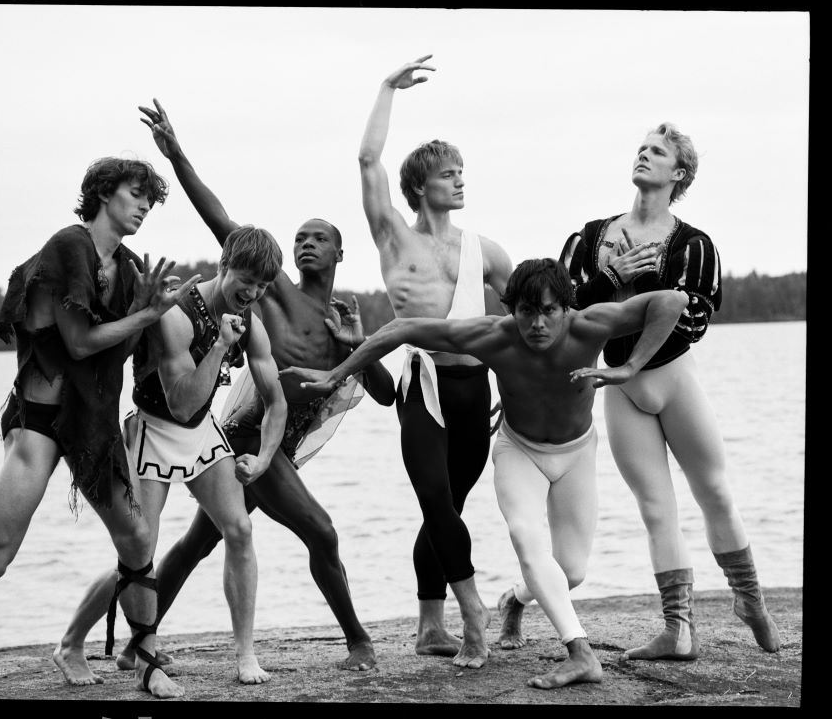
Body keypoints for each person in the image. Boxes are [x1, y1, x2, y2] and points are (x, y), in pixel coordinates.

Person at [54, 98, 396, 675]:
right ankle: (358, 639)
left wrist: (351, 346)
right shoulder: (266, 292)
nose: (308, 244)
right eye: (300, 237)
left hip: (267, 443)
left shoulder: (335, 315)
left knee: (192, 547)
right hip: (223, 432)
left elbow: (383, 393)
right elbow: (218, 216)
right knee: (317, 532)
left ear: (341, 252)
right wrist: (177, 154)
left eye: (320, 238)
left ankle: (149, 640)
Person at [279, 258, 689, 688]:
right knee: (528, 541)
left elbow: (672, 300)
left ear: (566, 307)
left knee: (569, 572)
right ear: (510, 309)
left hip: (577, 453)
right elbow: (400, 330)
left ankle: (513, 600)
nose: (537, 324)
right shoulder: (493, 336)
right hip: (520, 451)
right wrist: (335, 374)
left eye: (549, 310)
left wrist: (630, 367)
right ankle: (580, 653)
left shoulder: (590, 325)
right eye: (526, 311)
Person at [0, 157, 201, 699]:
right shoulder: (68, 247)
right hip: (39, 422)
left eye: (151, 199)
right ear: (104, 194)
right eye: (136, 193)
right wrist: (146, 316)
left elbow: (136, 345)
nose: (145, 206)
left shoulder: (128, 271)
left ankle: (147, 657)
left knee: (137, 535)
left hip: (92, 427)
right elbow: (78, 343)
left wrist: (174, 315)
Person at [551, 122, 780, 661]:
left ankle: (750, 600)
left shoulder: (694, 245)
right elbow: (559, 309)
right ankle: (678, 629)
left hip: (672, 377)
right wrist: (609, 279)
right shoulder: (589, 238)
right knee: (656, 507)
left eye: (657, 152)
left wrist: (641, 312)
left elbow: (694, 315)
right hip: (615, 383)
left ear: (678, 174)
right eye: (641, 148)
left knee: (715, 491)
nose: (643, 155)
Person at [58, 225, 287, 686]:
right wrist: (221, 345)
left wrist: (262, 459)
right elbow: (181, 401)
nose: (254, 292)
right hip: (155, 429)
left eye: (263, 286)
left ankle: (245, 656)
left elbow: (276, 401)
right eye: (248, 280)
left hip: (201, 433)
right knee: (137, 552)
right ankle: (71, 644)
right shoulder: (178, 314)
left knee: (239, 530)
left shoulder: (252, 324)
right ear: (225, 265)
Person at [357, 55, 513, 668]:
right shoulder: (395, 236)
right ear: (422, 186)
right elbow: (368, 162)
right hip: (421, 387)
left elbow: (534, 312)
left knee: (448, 507)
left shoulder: (485, 248)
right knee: (437, 502)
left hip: (475, 389)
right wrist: (386, 89)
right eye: (449, 174)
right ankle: (472, 613)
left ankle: (428, 626)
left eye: (462, 172)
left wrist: (517, 384)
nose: (459, 180)